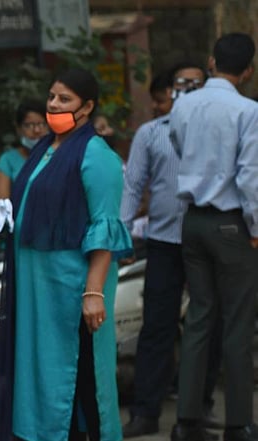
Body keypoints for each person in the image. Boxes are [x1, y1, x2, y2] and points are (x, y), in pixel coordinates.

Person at [0, 68, 133, 441]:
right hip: (39, 287)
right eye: (52, 96)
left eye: (64, 99)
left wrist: (93, 292)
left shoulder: (96, 154)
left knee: (81, 374)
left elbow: (105, 229)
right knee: (45, 373)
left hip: (72, 287)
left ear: (86, 107)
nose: (54, 104)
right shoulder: (45, 148)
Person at [120, 65, 222, 438]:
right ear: (170, 91)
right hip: (164, 242)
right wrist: (123, 234)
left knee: (210, 326)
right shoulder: (150, 133)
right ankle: (145, 412)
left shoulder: (219, 127)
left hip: (210, 242)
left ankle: (199, 408)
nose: (188, 90)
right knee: (157, 327)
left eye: (195, 84)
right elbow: (133, 185)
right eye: (181, 84)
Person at [169, 33, 258, 441]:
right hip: (231, 224)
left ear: (210, 61)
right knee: (238, 326)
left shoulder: (183, 105)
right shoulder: (248, 110)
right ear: (248, 71)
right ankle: (238, 424)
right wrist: (256, 229)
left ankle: (187, 422)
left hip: (193, 222)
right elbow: (250, 177)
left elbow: (178, 146)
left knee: (200, 320)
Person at [0, 100, 49, 199]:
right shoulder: (8, 160)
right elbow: (2, 203)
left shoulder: (58, 156)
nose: (36, 130)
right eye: (29, 125)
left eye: (42, 124)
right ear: (18, 128)